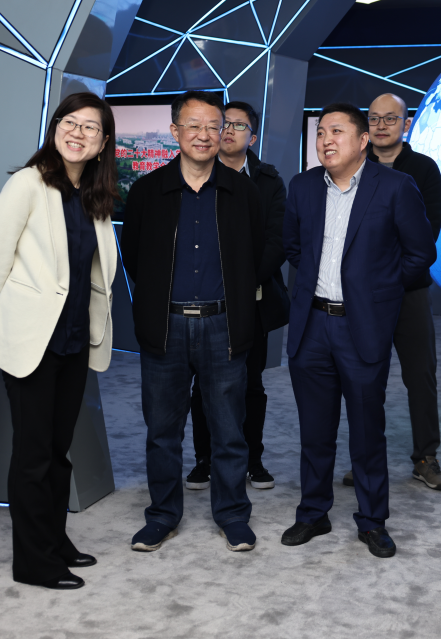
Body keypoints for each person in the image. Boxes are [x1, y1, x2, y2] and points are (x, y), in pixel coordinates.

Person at [0, 92, 118, 590]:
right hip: (31, 343)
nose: (78, 133)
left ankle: (54, 540)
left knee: (58, 451)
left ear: (103, 143)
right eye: (69, 122)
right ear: (55, 127)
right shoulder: (28, 183)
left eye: (90, 127)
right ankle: (34, 561)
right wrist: (18, 316)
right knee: (33, 456)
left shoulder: (93, 195)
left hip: (74, 341)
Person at [280, 103, 436, 558]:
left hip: (361, 325)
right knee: (315, 429)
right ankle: (313, 512)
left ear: (363, 140)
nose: (326, 140)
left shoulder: (395, 186)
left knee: (368, 429)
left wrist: (377, 293)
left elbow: (420, 253)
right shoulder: (303, 186)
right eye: (321, 132)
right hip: (311, 324)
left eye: (337, 131)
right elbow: (294, 247)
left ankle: (372, 520)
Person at [120, 91, 264, 553]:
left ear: (224, 132)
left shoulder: (243, 191)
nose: (204, 135)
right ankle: (162, 515)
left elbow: (257, 255)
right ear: (175, 131)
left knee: (229, 431)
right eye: (194, 126)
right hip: (166, 326)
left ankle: (232, 514)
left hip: (224, 326)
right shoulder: (147, 191)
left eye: (213, 126)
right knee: (162, 433)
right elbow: (134, 257)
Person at [338, 92, 441, 491]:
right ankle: (366, 459)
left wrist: (388, 275)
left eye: (390, 118)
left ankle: (425, 458)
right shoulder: (353, 167)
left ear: (406, 123)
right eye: (374, 118)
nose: (381, 125)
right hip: (362, 297)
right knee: (365, 380)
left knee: (420, 377)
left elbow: (426, 235)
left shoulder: (423, 169)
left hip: (408, 291)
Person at [187, 101, 289, 491]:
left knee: (250, 384)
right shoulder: (196, 173)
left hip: (252, 300)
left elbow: (277, 241)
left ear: (253, 137)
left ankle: (252, 459)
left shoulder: (269, 181)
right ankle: (204, 459)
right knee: (203, 384)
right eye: (223, 123)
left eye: (238, 125)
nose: (228, 130)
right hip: (203, 300)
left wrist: (240, 283)